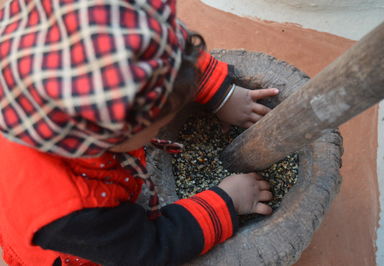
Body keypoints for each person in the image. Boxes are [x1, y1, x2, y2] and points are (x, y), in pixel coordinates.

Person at [0, 0, 279, 265]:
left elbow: (165, 50)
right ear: (103, 138)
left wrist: (222, 94)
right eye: (156, 125)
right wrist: (226, 202)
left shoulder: (92, 43)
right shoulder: (72, 212)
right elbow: (148, 248)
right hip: (77, 250)